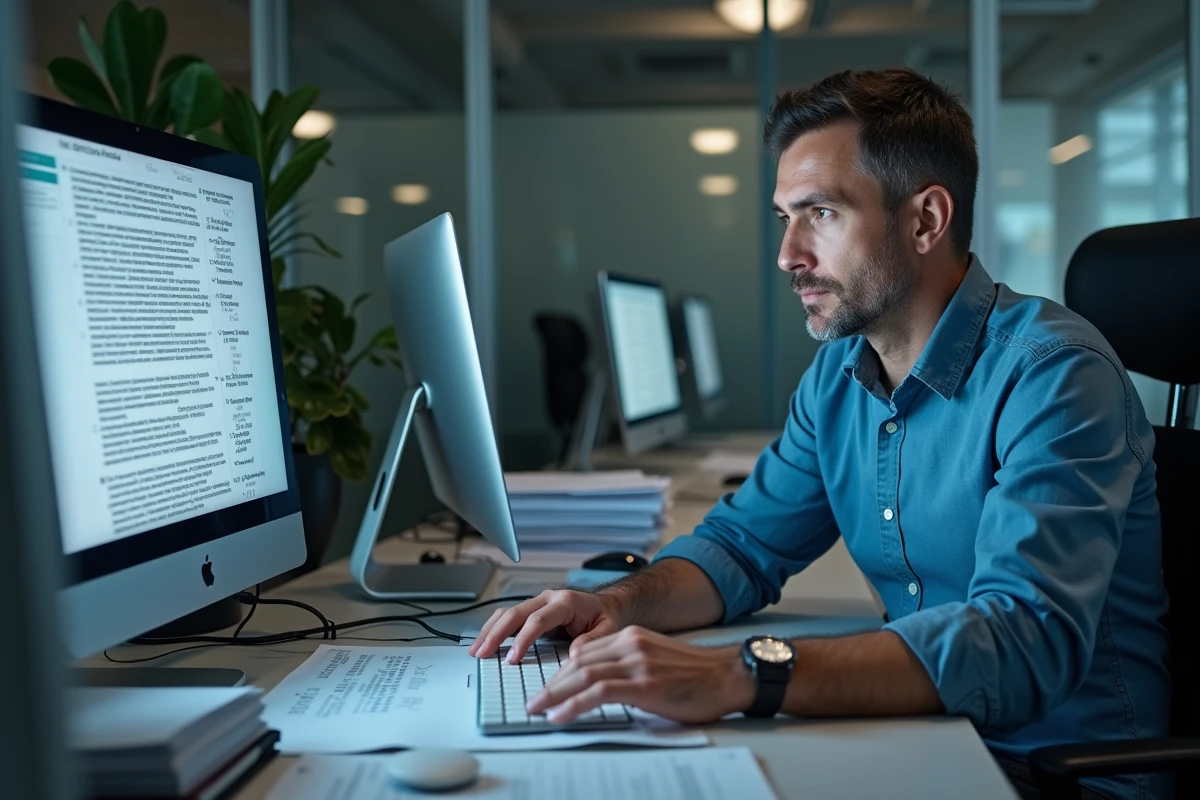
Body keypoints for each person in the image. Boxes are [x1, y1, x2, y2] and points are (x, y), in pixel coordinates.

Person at [469, 68, 1169, 800]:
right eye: (785, 218)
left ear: (926, 220)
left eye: (822, 213)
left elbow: (1023, 642)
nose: (788, 254)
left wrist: (738, 672)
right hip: (923, 733)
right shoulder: (839, 375)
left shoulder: (1054, 375)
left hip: (1053, 776)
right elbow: (741, 548)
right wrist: (617, 604)